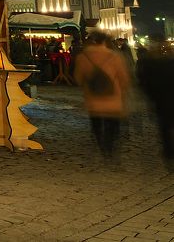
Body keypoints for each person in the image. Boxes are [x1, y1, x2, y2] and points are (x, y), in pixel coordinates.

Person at [74, 30, 130, 158]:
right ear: (105, 41)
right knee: (113, 126)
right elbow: (124, 78)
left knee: (97, 125)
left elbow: (78, 78)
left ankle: (102, 146)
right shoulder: (114, 56)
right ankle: (110, 149)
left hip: (93, 100)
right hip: (113, 99)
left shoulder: (83, 57)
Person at [137, 32, 174, 168]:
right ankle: (169, 151)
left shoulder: (150, 64)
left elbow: (146, 83)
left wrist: (151, 99)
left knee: (165, 128)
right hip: (165, 100)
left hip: (161, 101)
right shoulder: (169, 62)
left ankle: (169, 152)